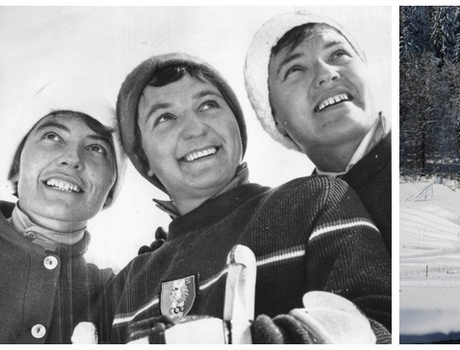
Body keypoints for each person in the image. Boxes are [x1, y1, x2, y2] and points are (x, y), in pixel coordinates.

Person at [92, 53, 391, 343]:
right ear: (143, 159)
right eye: (165, 117)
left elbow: (378, 325)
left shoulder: (316, 201)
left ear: (238, 126)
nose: (195, 128)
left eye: (208, 105)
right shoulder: (124, 289)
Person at [245, 12, 392, 253]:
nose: (326, 74)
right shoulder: (293, 224)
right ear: (275, 120)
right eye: (295, 69)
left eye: (338, 54)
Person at [0, 86, 125, 343]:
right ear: (16, 166)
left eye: (96, 148)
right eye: (53, 136)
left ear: (110, 190)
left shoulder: (116, 291)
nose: (72, 159)